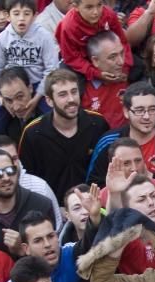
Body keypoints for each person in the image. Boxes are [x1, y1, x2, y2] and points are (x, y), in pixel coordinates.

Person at [18, 68, 111, 203]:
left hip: (95, 204)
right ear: (49, 101)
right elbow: (28, 180)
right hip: (52, 207)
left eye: (74, 92)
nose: (71, 99)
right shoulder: (33, 133)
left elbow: (107, 169)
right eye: (63, 95)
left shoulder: (97, 124)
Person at [86, 81, 155, 196]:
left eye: (152, 109)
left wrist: (150, 176)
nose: (146, 116)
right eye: (140, 110)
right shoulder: (109, 142)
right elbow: (94, 188)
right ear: (126, 112)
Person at [0, 0, 58, 134]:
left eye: (26, 14)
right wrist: (0, 96)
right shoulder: (3, 38)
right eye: (16, 13)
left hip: (38, 85)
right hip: (9, 86)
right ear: (8, 16)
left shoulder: (44, 36)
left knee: (52, 121)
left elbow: (51, 69)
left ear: (35, 15)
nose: (21, 19)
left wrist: (37, 98)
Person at [0, 211, 87, 282]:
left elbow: (95, 241)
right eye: (38, 240)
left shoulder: (73, 253)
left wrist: (95, 217)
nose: (47, 244)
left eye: (50, 236)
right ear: (26, 248)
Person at [0, 148, 57, 253]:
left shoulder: (42, 205)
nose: (6, 177)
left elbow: (52, 254)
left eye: (10, 170)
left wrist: (22, 250)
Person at [54, 0, 131, 84]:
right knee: (75, 84)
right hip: (80, 60)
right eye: (89, 7)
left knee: (137, 69)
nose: (96, 12)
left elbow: (122, 41)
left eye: (99, 5)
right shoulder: (68, 27)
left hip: (107, 55)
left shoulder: (109, 14)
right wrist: (96, 73)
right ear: (75, 6)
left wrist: (125, 67)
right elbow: (71, 58)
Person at [78, 30, 131, 127]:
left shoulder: (131, 76)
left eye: (122, 53)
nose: (121, 61)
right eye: (112, 57)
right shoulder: (80, 89)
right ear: (95, 61)